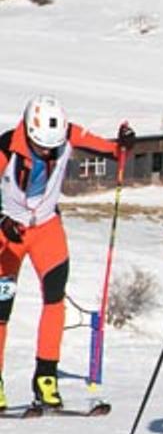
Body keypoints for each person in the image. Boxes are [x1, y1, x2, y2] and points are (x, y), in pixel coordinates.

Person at [0, 96, 135, 410]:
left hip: (47, 229)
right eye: (41, 147)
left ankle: (46, 376)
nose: (48, 152)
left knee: (55, 298)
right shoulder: (6, 147)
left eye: (53, 147)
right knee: (1, 310)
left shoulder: (66, 135)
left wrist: (124, 145)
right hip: (9, 235)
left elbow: (111, 150)